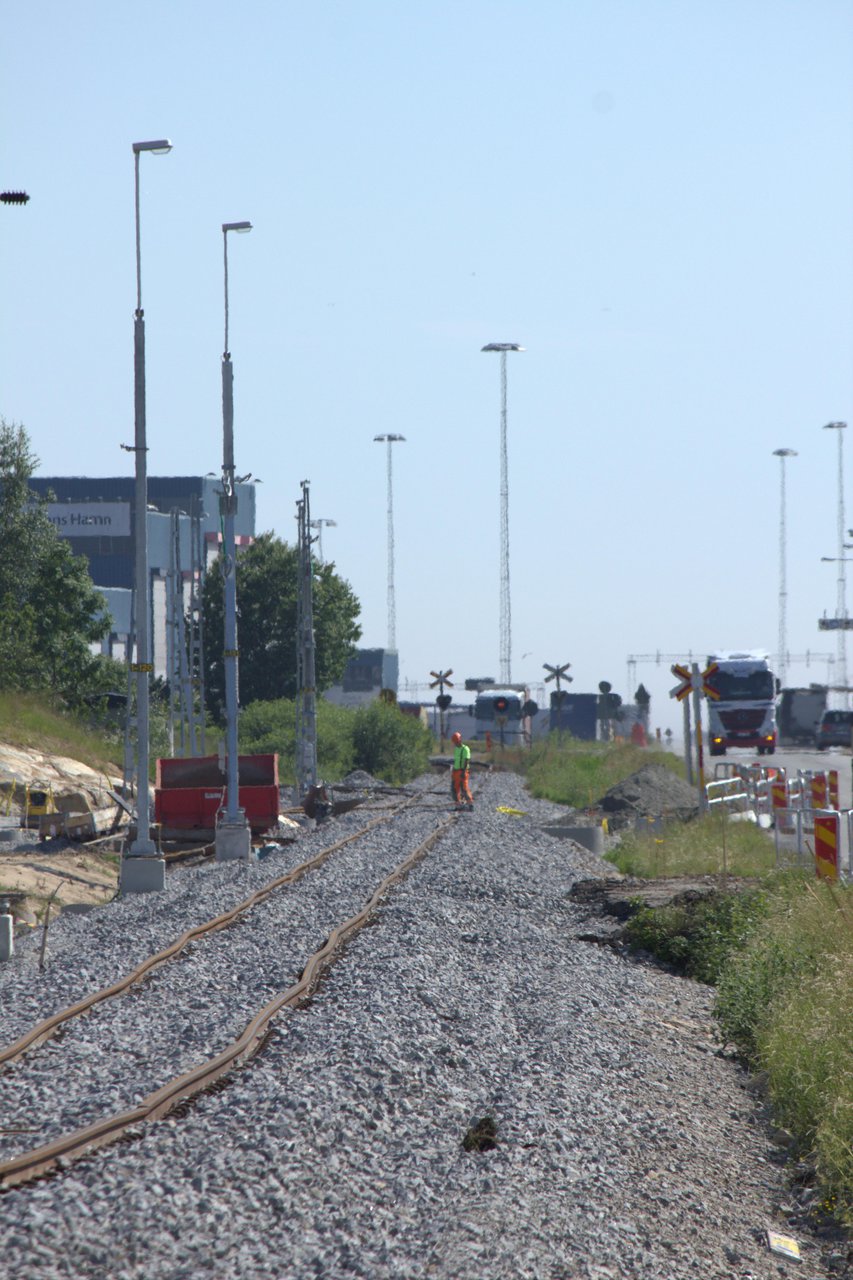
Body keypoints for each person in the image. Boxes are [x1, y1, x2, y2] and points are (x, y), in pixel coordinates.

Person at [451, 731, 474, 808]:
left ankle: (470, 804)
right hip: (456, 771)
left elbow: (466, 760)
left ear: (459, 740)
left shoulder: (465, 749)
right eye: (455, 742)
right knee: (454, 789)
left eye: (456, 741)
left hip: (462, 771)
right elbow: (456, 760)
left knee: (464, 788)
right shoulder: (456, 749)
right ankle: (458, 805)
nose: (455, 743)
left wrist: (463, 772)